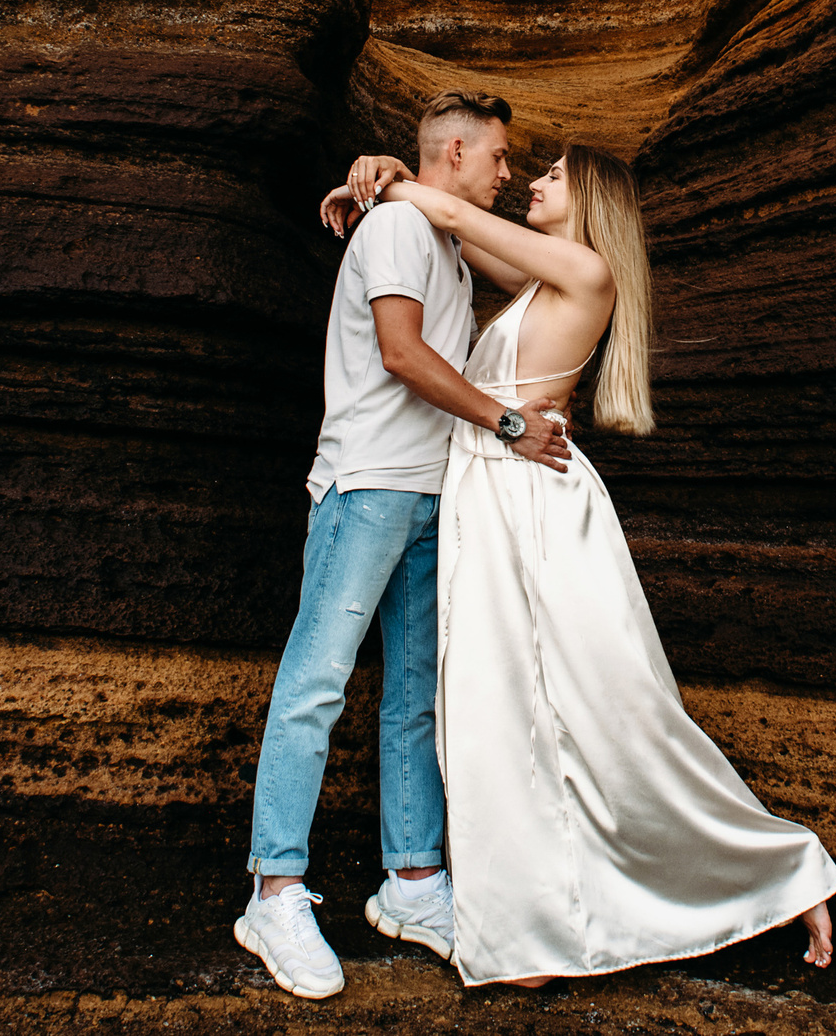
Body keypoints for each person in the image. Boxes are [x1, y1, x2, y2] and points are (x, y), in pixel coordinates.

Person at [322, 143, 836, 989]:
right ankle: (532, 923)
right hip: (493, 497)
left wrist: (392, 177)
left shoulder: (586, 269)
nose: (532, 180)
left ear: (590, 198)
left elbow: (448, 212)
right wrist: (381, 178)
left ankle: (781, 870)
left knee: (608, 703)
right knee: (504, 708)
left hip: (533, 502)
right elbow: (449, 228)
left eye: (554, 175)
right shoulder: (544, 273)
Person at [236, 91, 573, 1001]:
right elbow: (401, 352)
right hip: (368, 485)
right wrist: (508, 423)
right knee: (316, 684)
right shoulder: (393, 230)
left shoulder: (443, 240)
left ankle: (413, 883)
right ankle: (273, 892)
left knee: (415, 694)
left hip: (428, 493)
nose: (506, 172)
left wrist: (387, 173)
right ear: (455, 151)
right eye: (497, 156)